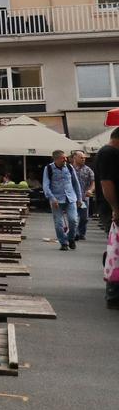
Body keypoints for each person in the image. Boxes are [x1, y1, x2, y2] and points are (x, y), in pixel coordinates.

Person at [95, 129, 119, 306]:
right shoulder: (108, 153)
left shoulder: (109, 153)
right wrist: (115, 208)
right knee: (115, 251)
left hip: (111, 208)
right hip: (111, 209)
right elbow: (106, 183)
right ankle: (113, 294)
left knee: (115, 250)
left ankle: (113, 292)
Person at [41, 149, 80, 251]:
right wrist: (52, 198)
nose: (65, 159)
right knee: (59, 224)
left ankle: (71, 238)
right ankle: (63, 243)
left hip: (70, 198)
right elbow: (46, 186)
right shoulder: (48, 168)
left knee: (73, 220)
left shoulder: (69, 167)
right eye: (63, 158)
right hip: (56, 200)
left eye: (65, 157)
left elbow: (76, 183)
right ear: (57, 159)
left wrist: (79, 198)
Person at [71, 151, 93, 242]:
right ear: (75, 157)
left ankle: (81, 233)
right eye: (81, 157)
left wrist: (90, 190)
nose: (83, 159)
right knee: (73, 217)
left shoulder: (88, 169)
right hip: (72, 197)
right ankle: (74, 233)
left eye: (84, 158)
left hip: (84, 197)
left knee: (84, 218)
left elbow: (93, 181)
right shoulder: (69, 168)